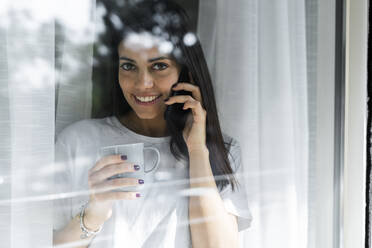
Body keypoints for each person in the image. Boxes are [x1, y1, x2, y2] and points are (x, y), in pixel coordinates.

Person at [53, 0, 252, 247]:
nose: (143, 83)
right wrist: (94, 213)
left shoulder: (223, 151)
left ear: (185, 73)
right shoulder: (78, 141)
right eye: (129, 66)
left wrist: (198, 151)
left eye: (159, 66)